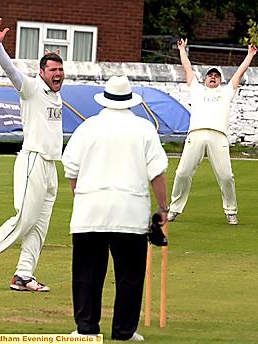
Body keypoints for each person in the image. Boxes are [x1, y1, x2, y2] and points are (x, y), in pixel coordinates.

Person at [62, 75, 169, 341]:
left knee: (87, 273)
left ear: (105, 99)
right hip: (129, 213)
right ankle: (124, 331)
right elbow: (157, 173)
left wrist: (83, 198)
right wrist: (163, 207)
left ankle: (86, 330)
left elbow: (71, 170)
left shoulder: (88, 127)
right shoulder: (143, 128)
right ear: (130, 101)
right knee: (130, 276)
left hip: (90, 211)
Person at [0, 17, 64, 291]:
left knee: (39, 226)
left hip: (51, 165)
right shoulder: (31, 88)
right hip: (33, 160)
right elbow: (11, 71)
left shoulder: (56, 94)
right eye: (52, 70)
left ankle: (24, 275)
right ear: (42, 72)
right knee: (25, 218)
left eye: (60, 69)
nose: (57, 74)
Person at [167, 38, 257, 225]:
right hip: (196, 134)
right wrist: (182, 50)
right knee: (182, 173)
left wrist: (249, 55)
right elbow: (188, 69)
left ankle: (231, 211)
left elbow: (240, 73)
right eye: (210, 75)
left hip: (218, 136)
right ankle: (174, 209)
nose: (213, 77)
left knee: (226, 176)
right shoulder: (197, 89)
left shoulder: (226, 92)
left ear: (220, 80)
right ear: (205, 79)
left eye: (216, 76)